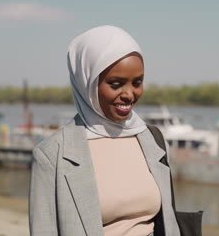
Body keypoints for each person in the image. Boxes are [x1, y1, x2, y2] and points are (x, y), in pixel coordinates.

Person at [29, 25, 181, 236]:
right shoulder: (52, 154)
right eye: (116, 84)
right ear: (87, 84)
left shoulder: (152, 139)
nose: (129, 94)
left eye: (137, 82)